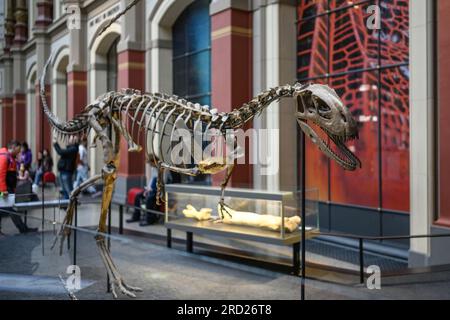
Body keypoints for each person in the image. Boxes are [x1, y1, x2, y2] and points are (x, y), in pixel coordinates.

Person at [0, 140, 37, 233]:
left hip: (8, 188)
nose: (19, 152)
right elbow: (1, 174)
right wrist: (4, 190)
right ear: (13, 147)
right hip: (5, 190)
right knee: (11, 209)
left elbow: (10, 174)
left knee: (5, 209)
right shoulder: (5, 157)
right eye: (18, 149)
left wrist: (18, 178)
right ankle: (23, 229)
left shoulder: (10, 157)